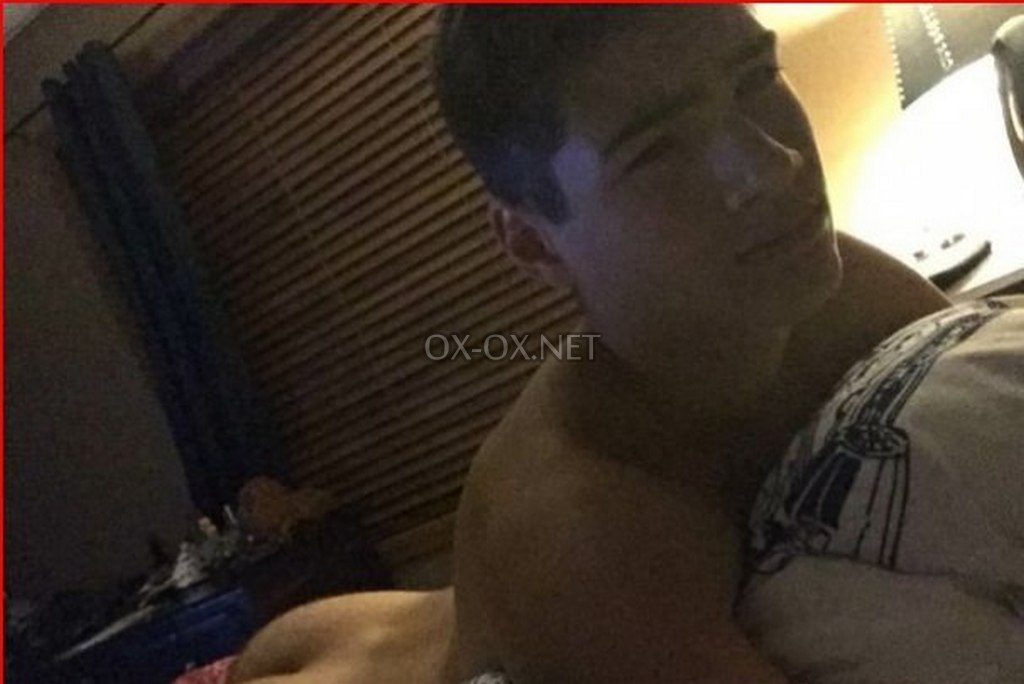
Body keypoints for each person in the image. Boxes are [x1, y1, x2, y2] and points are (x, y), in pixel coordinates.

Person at [433, 5, 953, 683]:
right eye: (656, 150)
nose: (776, 165)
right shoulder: (581, 534)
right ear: (536, 244)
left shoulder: (838, 295)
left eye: (756, 77)